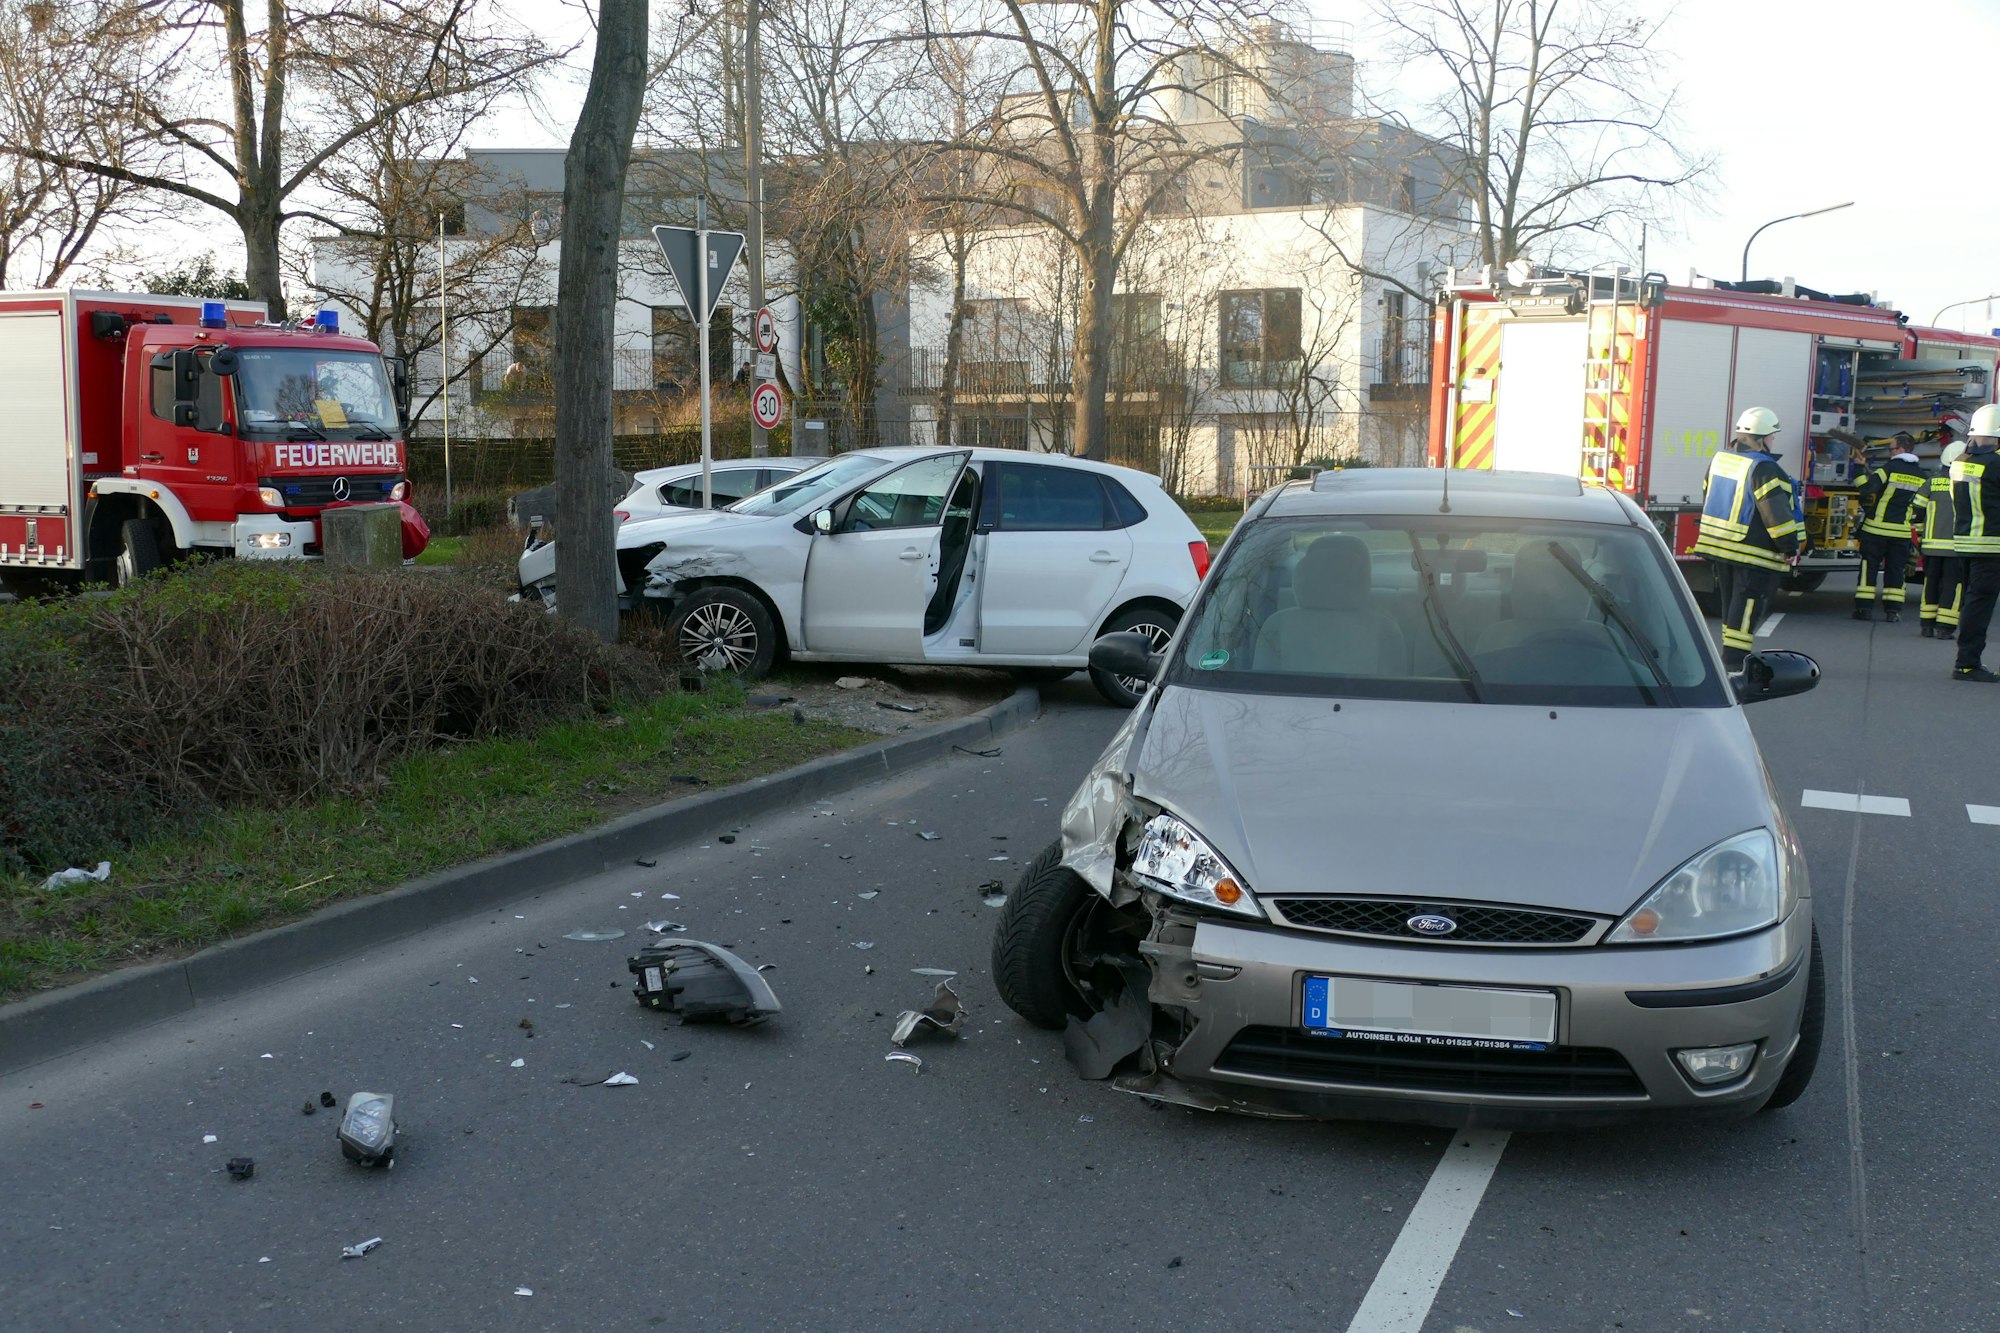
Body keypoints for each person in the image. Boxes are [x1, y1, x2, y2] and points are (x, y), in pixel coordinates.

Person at [1693, 406, 1802, 669]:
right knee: (1746, 609)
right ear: (1763, 437)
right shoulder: (1765, 469)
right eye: (1772, 435)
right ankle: (1734, 663)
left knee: (1731, 605)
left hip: (1721, 547)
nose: (1774, 440)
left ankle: (1729, 658)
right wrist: (1789, 546)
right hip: (1753, 553)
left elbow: (1708, 494)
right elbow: (1775, 513)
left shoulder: (1720, 460)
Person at [1852, 434, 1927, 621]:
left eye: (1891, 449)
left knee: (1869, 569)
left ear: (1901, 449)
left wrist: (1859, 468)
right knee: (1896, 571)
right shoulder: (1922, 475)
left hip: (1875, 531)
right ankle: (1893, 612)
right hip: (1901, 533)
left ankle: (1864, 609)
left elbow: (1865, 488)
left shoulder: (1889, 468)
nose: (1889, 452)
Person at [1953, 406, 2000, 681]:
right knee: (1979, 606)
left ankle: (1967, 660)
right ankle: (1967, 664)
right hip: (1992, 546)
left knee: (1973, 604)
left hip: (1966, 542)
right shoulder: (1995, 463)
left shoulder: (1960, 460)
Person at [1916, 440, 1965, 639]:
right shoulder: (1966, 483)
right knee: (1953, 586)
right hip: (1956, 547)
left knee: (1931, 584)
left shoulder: (1931, 482)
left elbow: (1917, 511)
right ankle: (1945, 628)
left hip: (1930, 546)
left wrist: (1921, 536)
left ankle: (1926, 625)